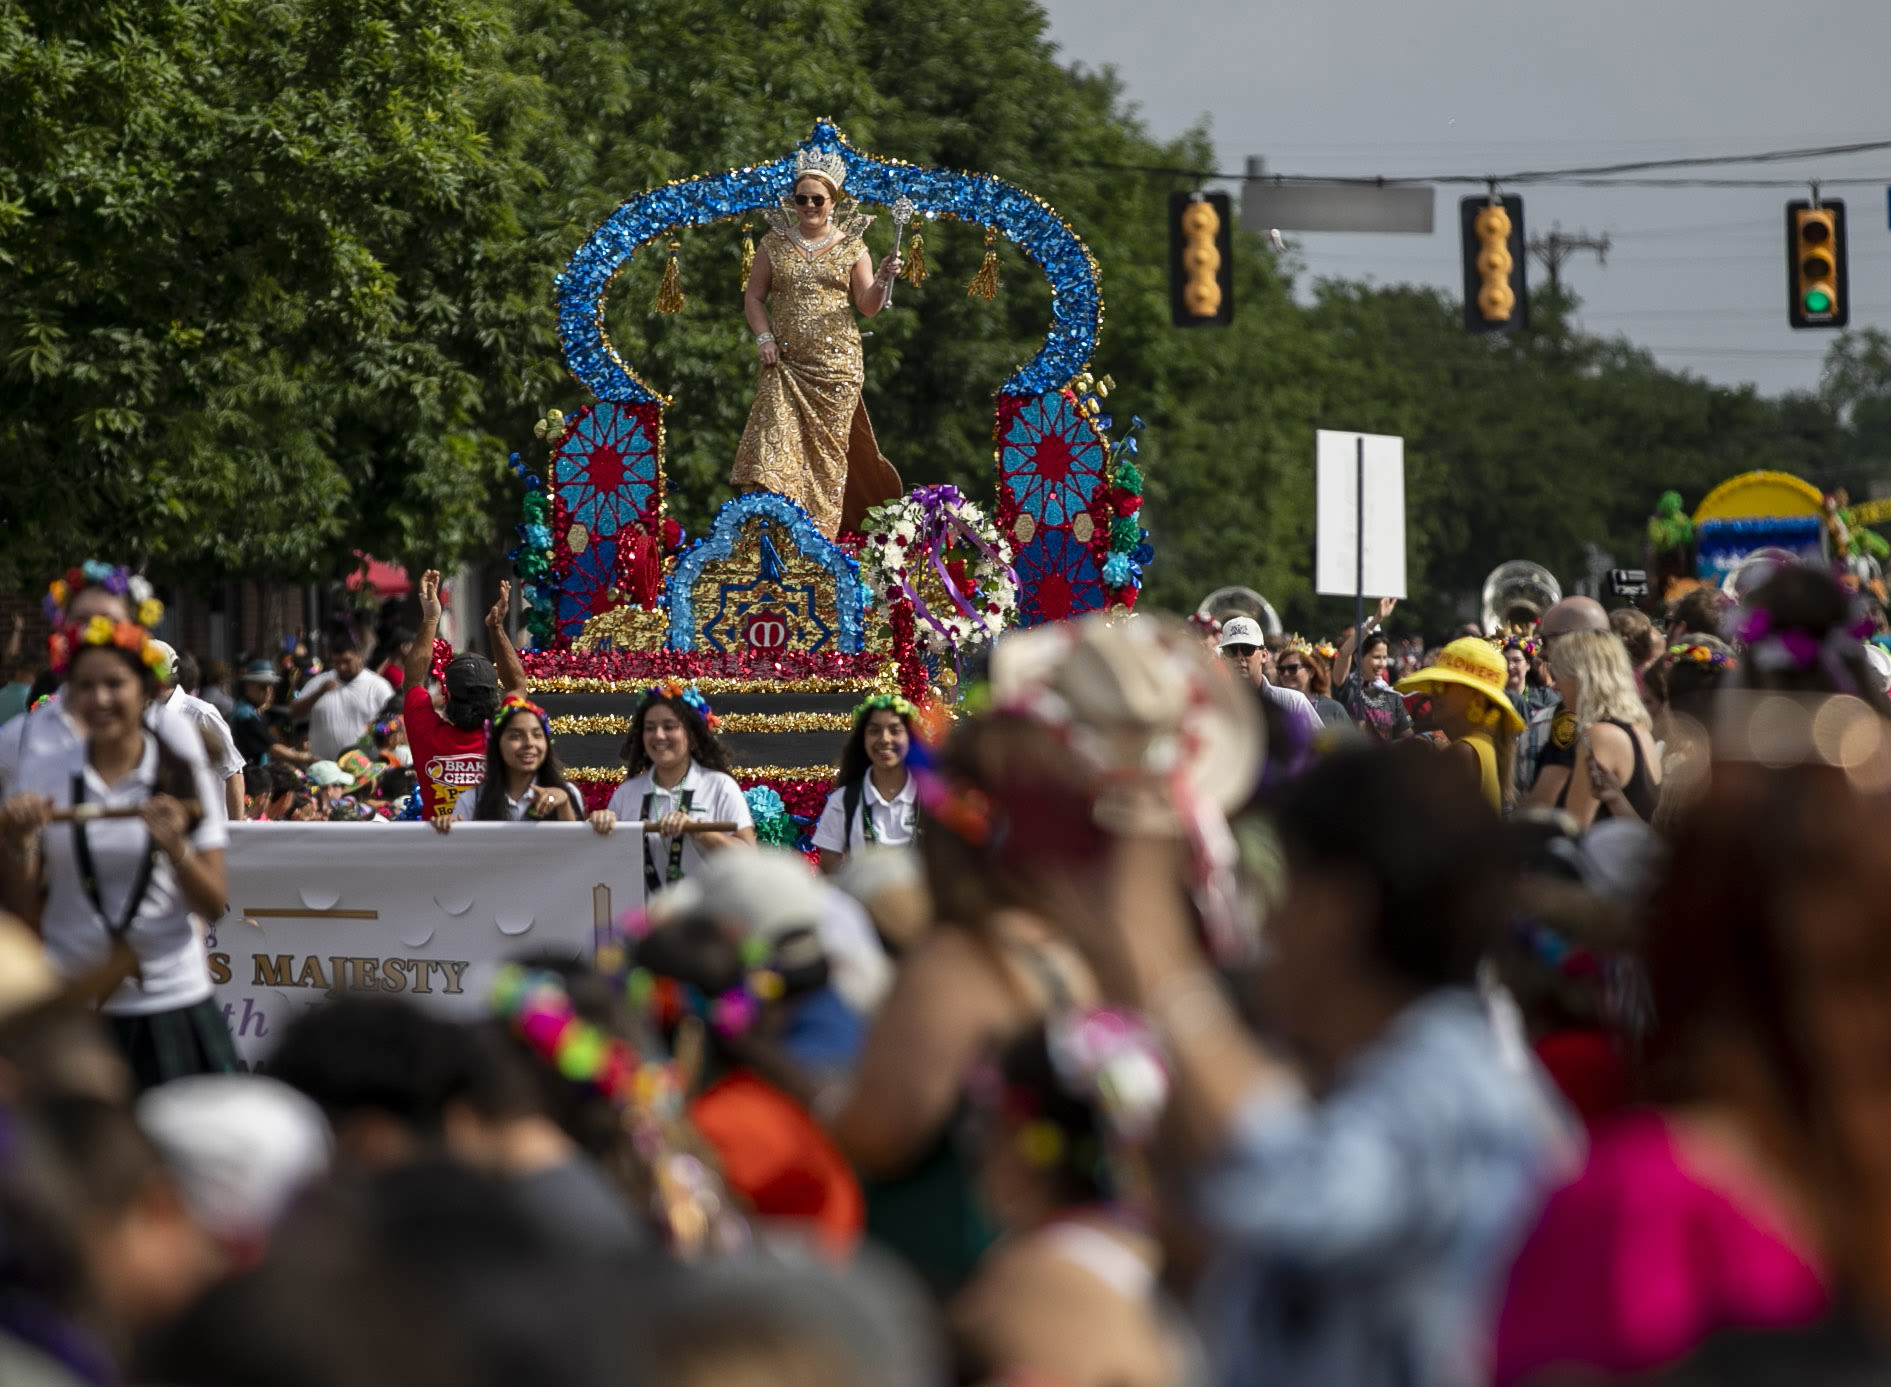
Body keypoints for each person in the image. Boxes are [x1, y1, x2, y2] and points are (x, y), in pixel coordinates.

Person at [1051, 744, 1565, 1387]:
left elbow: (1289, 1190)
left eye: (1283, 889)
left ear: (1336, 909)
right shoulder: (1378, 1075)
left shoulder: (1457, 1086)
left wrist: (1157, 959)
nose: (1266, 926)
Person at [0, 618, 237, 1089]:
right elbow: (18, 900)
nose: (100, 699)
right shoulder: (44, 765)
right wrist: (20, 841)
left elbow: (213, 905)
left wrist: (175, 850)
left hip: (171, 1000)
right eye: (85, 686)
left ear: (146, 688)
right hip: (76, 1003)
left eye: (115, 684)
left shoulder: (179, 766)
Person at [951, 1019, 1191, 1387]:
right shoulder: (1147, 1256)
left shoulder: (1036, 1280)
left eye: (989, 1120)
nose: (981, 1145)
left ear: (1022, 1139)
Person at [728, 148, 904, 536]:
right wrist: (764, 338)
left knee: (824, 458)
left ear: (832, 202)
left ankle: (820, 541)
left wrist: (883, 281)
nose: (808, 205)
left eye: (816, 199)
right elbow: (754, 298)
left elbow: (867, 306)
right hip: (785, 364)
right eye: (801, 199)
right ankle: (771, 535)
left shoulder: (853, 248)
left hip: (835, 368)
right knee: (770, 448)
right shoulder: (773, 245)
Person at [590, 683, 756, 890]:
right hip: (644, 919)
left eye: (669, 726)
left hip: (707, 918)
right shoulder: (627, 793)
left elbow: (750, 857)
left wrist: (700, 832)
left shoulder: (720, 786)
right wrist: (599, 829)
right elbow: (604, 866)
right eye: (650, 728)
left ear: (692, 735)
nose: (659, 736)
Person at [403, 570, 529, 819]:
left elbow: (413, 681)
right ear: (495, 699)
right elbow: (516, 685)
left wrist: (430, 619)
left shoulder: (427, 734)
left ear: (448, 698)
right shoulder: (504, 736)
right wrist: (496, 628)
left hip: (441, 853)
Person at [1548, 629, 1663, 828]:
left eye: (1558, 674)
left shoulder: (1601, 736)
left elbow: (1575, 826)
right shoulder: (1639, 728)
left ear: (1582, 677)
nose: (1554, 686)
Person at [1396, 638, 1526, 811]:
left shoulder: (1464, 752)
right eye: (1434, 685)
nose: (1433, 694)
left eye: (1444, 685)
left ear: (1475, 694)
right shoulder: (1480, 744)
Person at [435, 695, 583, 830]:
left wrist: (563, 805)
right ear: (497, 744)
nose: (529, 743)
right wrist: (448, 829)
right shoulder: (471, 799)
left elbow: (577, 851)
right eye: (516, 736)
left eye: (537, 735)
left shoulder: (567, 793)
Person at [813, 694, 919, 873]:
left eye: (895, 730)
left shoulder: (933, 799)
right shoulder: (844, 801)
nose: (885, 739)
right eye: (874, 731)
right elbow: (828, 877)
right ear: (862, 740)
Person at [1524, 595, 1612, 807]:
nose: (1541, 653)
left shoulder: (1580, 720)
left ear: (1573, 641)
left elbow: (1543, 807)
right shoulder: (1630, 711)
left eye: (1545, 641)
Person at [149, 643, 245, 821]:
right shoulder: (143, 716)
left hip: (206, 832)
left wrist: (236, 832)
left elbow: (233, 773)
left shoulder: (201, 714)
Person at [1216, 616, 1323, 753]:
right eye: (1231, 650)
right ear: (1223, 657)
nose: (1239, 656)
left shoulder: (1292, 702)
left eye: (1247, 649)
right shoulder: (1212, 705)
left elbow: (1321, 749)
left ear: (1264, 655)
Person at [287, 635, 394, 763]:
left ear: (359, 657)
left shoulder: (377, 686)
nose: (342, 667)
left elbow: (394, 722)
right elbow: (294, 712)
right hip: (324, 769)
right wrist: (319, 693)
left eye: (347, 661)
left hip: (364, 767)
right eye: (337, 662)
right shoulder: (319, 682)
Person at [1332, 598, 1412, 743]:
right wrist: (1375, 620)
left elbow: (1409, 739)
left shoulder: (1392, 697)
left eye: (1384, 657)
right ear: (1357, 658)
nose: (1382, 664)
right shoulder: (1347, 688)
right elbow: (1344, 653)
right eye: (1376, 657)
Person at [228, 659, 307, 768]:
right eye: (263, 686)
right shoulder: (245, 715)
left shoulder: (253, 711)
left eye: (271, 686)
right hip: (249, 776)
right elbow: (274, 748)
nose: (268, 691)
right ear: (248, 686)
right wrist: (308, 758)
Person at [1271, 637, 1351, 730]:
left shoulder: (1333, 709)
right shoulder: (1273, 708)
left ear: (1311, 672)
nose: (1286, 674)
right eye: (1281, 670)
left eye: (1292, 668)